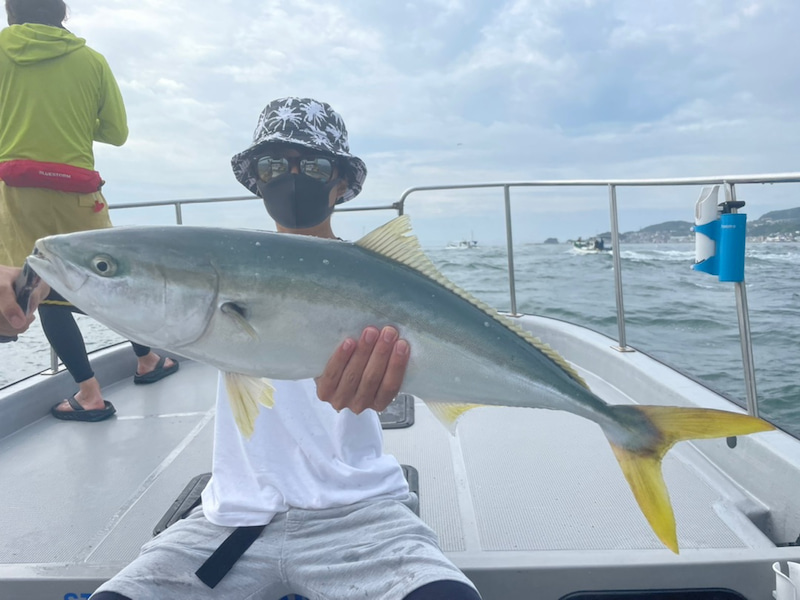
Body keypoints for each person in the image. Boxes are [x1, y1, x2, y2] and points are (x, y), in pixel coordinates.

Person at [90, 97, 481, 599]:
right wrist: (28, 281)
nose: (292, 178)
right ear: (257, 181)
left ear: (341, 183)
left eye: (314, 166)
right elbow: (125, 290)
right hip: (229, 521)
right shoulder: (220, 272)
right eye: (273, 165)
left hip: (361, 514)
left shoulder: (378, 277)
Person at [0, 0, 177, 421]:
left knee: (44, 295)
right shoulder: (91, 61)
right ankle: (148, 359)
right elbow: (116, 132)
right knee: (110, 283)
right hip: (79, 191)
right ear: (62, 14)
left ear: (10, 15)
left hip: (15, 192)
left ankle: (90, 394)